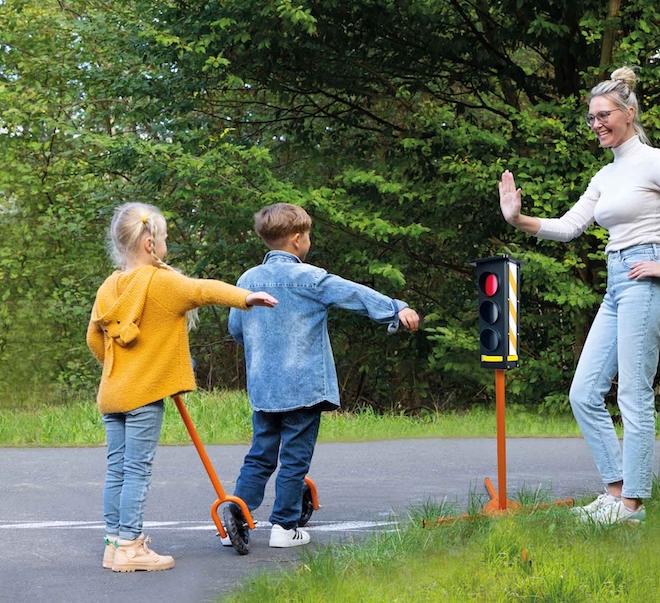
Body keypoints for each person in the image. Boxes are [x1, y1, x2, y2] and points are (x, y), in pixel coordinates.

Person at [498, 67, 660, 524]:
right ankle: (615, 492)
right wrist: (519, 221)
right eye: (591, 118)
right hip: (617, 284)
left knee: (633, 395)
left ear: (628, 114)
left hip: (646, 277)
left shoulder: (654, 160)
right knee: (583, 393)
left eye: (603, 115)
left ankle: (632, 506)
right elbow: (571, 226)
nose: (595, 124)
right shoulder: (605, 174)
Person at [86, 202, 278, 572]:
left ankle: (113, 543)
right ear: (149, 244)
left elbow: (95, 340)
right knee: (137, 470)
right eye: (165, 239)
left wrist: (121, 368)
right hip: (143, 396)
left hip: (113, 394)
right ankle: (131, 546)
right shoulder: (161, 282)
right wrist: (245, 297)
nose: (166, 246)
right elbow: (203, 290)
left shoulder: (109, 286)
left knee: (118, 469)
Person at [224, 203, 420, 548]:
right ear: (298, 239)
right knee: (294, 456)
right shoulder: (310, 278)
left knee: (261, 453)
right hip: (303, 386)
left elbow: (237, 329)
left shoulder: (247, 280)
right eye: (308, 235)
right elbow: (354, 293)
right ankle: (284, 527)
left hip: (264, 387)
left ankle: (236, 520)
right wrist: (396, 307)